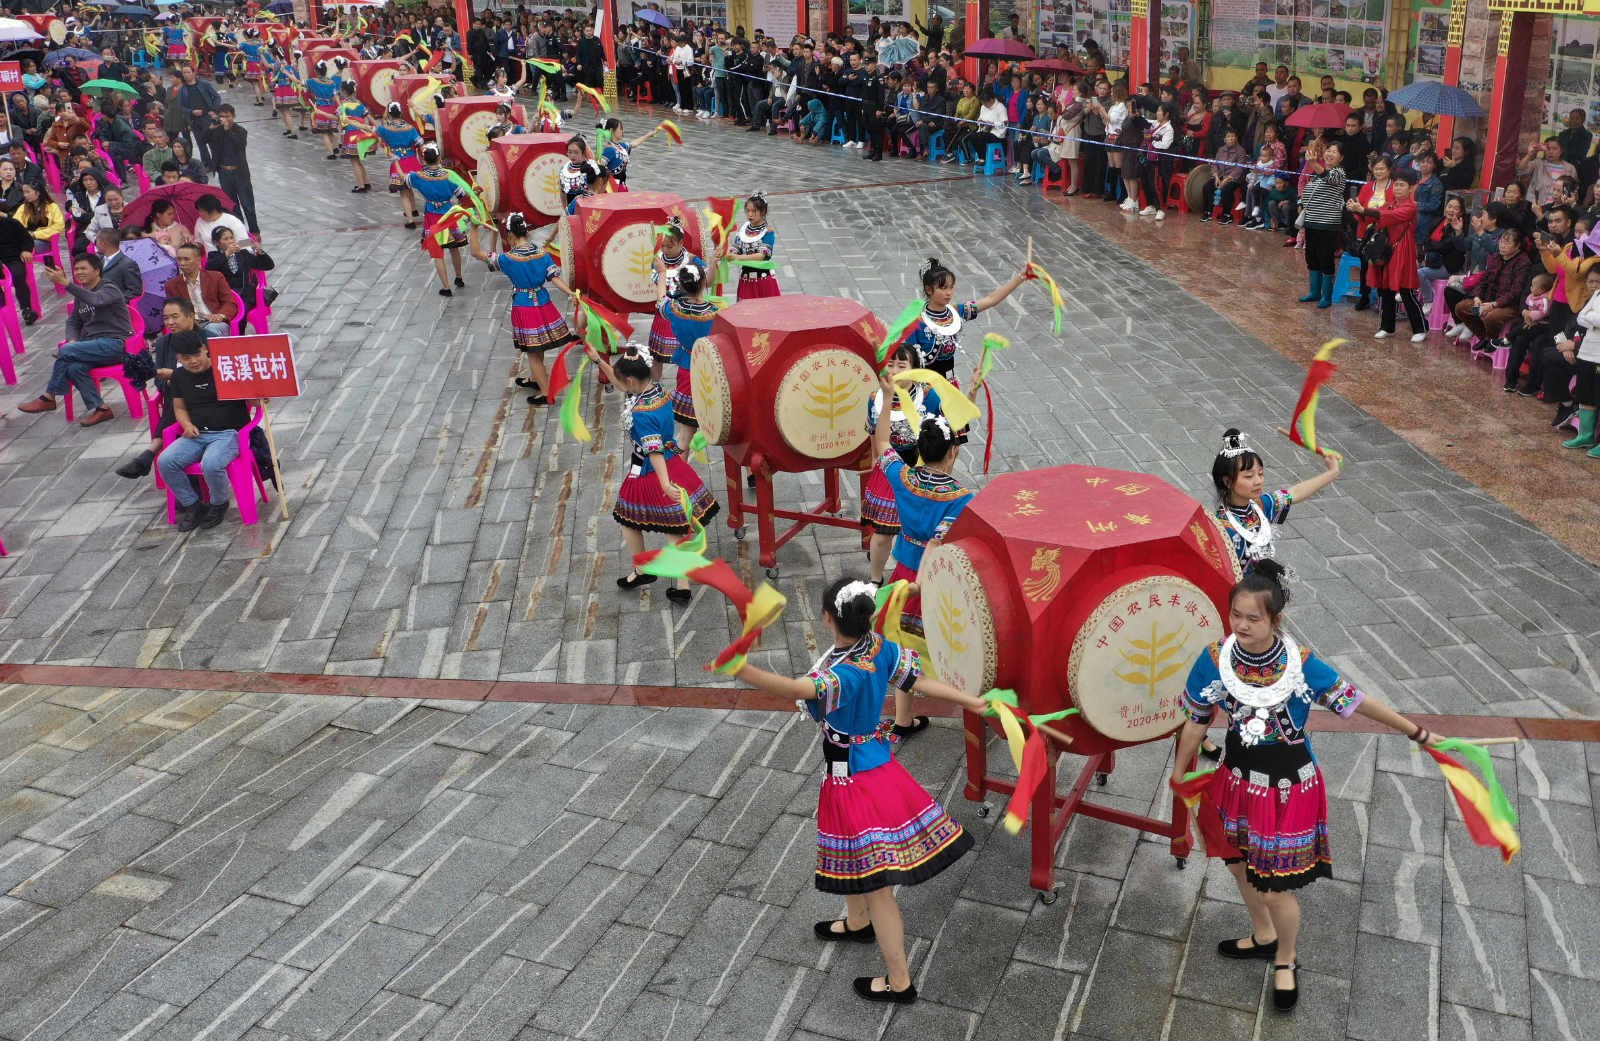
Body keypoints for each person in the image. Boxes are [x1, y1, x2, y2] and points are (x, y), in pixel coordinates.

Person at [1173, 561, 1444, 1011]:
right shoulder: (1214, 659)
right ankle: (1263, 935)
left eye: (1253, 618)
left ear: (1275, 621)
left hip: (1287, 791)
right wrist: (1179, 774)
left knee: (1273, 887)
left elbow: (1357, 701)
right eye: (1235, 614)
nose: (1241, 624)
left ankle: (1286, 957)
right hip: (1235, 781)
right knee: (1238, 865)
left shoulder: (1300, 665)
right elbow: (1196, 720)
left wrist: (1415, 731)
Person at [732, 576, 982, 1006]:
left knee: (877, 883)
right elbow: (919, 682)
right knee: (854, 858)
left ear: (827, 617)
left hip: (855, 782)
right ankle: (856, 922)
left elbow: (796, 689)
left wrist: (744, 668)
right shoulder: (879, 649)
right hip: (874, 765)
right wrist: (972, 701)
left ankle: (899, 980)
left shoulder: (841, 674)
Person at [581, 342, 719, 602]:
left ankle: (643, 569)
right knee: (674, 527)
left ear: (632, 379)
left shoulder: (642, 413)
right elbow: (623, 384)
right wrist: (599, 362)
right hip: (673, 462)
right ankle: (681, 586)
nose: (622, 384)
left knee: (628, 518)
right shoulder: (657, 391)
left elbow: (653, 451)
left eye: (624, 379)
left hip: (649, 470)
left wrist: (665, 484)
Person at [14, 253, 132, 426]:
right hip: (92, 346)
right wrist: (72, 340)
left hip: (115, 344)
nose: (78, 272)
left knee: (66, 352)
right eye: (76, 269)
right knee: (74, 367)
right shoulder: (80, 295)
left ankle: (49, 396)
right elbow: (73, 322)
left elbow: (97, 300)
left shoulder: (109, 288)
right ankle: (101, 409)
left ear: (97, 270)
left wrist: (66, 284)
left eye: (83, 268)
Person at [471, 212, 574, 406]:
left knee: (532, 353)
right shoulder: (542, 253)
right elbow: (555, 278)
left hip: (525, 307)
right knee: (539, 347)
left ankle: (546, 393)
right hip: (544, 303)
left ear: (510, 235)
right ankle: (536, 379)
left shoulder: (508, 259)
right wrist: (572, 294)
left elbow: (476, 253)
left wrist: (474, 228)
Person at [861, 344, 942, 585]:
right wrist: (877, 460)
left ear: (914, 369)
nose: (895, 370)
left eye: (902, 365)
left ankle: (921, 576)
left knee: (922, 531)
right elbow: (874, 433)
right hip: (890, 469)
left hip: (921, 468)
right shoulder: (876, 398)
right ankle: (876, 579)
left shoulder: (929, 396)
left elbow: (942, 433)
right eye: (891, 364)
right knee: (883, 532)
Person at [156, 332, 252, 531]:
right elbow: (180, 408)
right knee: (165, 461)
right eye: (186, 358)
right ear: (179, 359)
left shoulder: (225, 368)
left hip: (228, 433)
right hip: (197, 434)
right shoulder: (180, 377)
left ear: (205, 349)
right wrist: (186, 425)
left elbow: (250, 396)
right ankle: (193, 505)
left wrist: (260, 398)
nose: (193, 361)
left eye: (197, 354)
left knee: (211, 464)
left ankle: (218, 503)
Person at [903, 256, 1025, 390]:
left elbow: (991, 299)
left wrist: (1020, 277)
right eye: (943, 288)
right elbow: (907, 360)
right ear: (928, 289)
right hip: (924, 390)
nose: (949, 293)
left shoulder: (956, 312)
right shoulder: (917, 321)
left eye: (951, 287)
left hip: (950, 386)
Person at [115, 297, 203, 480]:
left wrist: (177, 376)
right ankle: (155, 457)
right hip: (176, 398)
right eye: (165, 318)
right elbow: (159, 382)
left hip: (205, 395)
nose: (170, 322)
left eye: (175, 317)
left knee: (180, 393)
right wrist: (170, 380)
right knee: (176, 394)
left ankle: (150, 452)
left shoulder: (207, 339)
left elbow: (214, 373)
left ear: (190, 317)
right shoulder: (164, 343)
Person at [1347, 170, 1426, 341]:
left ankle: (1420, 328)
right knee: (1385, 289)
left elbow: (1389, 217)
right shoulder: (1389, 204)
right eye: (1396, 184)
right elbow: (1372, 219)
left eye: (1402, 185)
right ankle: (1387, 327)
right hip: (1386, 250)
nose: (1397, 188)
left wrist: (1364, 209)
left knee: (1406, 290)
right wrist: (1358, 210)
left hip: (1403, 251)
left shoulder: (1410, 207)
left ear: (1411, 188)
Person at [659, 262, 719, 447]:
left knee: (685, 434)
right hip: (710, 372)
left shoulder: (674, 309)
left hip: (686, 369)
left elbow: (661, 301)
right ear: (703, 283)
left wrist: (662, 274)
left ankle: (678, 474)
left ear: (681, 285)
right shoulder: (715, 313)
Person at [645, 219, 706, 379]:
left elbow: (708, 280)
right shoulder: (658, 260)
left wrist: (713, 263)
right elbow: (659, 285)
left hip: (685, 313)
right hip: (665, 312)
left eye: (670, 246)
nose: (665, 250)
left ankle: (691, 385)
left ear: (681, 243)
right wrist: (661, 271)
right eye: (663, 246)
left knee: (688, 354)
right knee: (656, 356)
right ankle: (655, 389)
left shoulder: (692, 261)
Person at [407, 144, 471, 296]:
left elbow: (406, 180)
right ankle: (459, 277)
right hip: (448, 214)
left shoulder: (418, 177)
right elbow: (463, 195)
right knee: (454, 247)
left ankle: (446, 287)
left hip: (432, 216)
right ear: (439, 158)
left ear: (424, 159)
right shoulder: (449, 176)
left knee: (437, 253)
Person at [1297, 141, 1346, 309]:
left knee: (1325, 258)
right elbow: (1308, 191)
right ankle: (1314, 292)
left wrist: (1313, 163)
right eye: (1328, 150)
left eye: (1334, 151)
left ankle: (1326, 295)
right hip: (1312, 222)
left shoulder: (1339, 173)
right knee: (1312, 257)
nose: (1330, 154)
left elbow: (1328, 177)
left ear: (1341, 157)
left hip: (1327, 224)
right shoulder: (1317, 174)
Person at [1558, 265, 1600, 456]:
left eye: (1597, 281)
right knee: (1586, 396)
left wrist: (1591, 318)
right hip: (1586, 353)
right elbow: (1581, 318)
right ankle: (1586, 435)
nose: (1594, 285)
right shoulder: (1595, 297)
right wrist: (1592, 318)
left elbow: (1595, 320)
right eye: (1591, 281)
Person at [164, 243, 239, 338]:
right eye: (179, 259)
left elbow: (229, 302)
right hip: (188, 325)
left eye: (186, 259)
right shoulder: (171, 285)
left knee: (210, 330)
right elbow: (172, 311)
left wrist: (221, 315)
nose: (182, 263)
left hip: (214, 322)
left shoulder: (215, 277)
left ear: (198, 259)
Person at [204, 105, 258, 236]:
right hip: (224, 172)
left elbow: (240, 145)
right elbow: (203, 139)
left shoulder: (240, 131)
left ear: (233, 116)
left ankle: (254, 231)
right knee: (232, 205)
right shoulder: (217, 130)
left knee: (247, 204)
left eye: (227, 116)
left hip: (240, 173)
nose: (225, 119)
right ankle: (240, 232)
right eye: (222, 116)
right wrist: (211, 128)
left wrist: (228, 129)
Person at [375, 102, 424, 229]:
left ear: (390, 113)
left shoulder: (385, 128)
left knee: (403, 192)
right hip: (412, 160)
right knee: (410, 186)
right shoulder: (410, 127)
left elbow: (377, 138)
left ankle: (410, 220)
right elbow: (420, 143)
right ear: (401, 112)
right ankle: (413, 209)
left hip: (398, 162)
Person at [726, 193, 779, 300]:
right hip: (745, 279)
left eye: (754, 211)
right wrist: (728, 254)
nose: (750, 214)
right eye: (748, 211)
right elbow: (735, 249)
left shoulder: (767, 232)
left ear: (763, 212)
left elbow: (762, 255)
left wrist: (739, 257)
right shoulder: (743, 230)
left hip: (763, 280)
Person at [205, 226, 274, 301]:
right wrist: (227, 254)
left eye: (232, 238)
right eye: (226, 239)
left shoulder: (243, 254)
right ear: (216, 243)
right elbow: (209, 268)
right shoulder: (214, 256)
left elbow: (268, 265)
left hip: (245, 294)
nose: (231, 241)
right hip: (226, 296)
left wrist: (259, 251)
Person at [336, 82, 372, 194]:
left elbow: (341, 121)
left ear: (344, 92)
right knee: (358, 160)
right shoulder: (359, 104)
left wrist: (340, 135)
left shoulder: (343, 105)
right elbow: (368, 117)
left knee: (354, 161)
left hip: (351, 134)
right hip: (361, 133)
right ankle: (366, 183)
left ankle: (361, 185)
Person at [0, 206, 35, 324]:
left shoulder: (11, 223)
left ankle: (26, 309)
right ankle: (3, 313)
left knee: (18, 276)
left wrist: (26, 250)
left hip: (12, 260)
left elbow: (27, 239)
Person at [558, 134, 605, 215]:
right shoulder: (564, 169)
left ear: (583, 153)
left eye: (576, 152)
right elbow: (562, 192)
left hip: (588, 209)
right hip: (571, 209)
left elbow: (601, 187)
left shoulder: (591, 168)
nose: (572, 155)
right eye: (570, 152)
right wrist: (565, 209)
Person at [97, 229, 144, 307]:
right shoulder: (98, 259)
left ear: (103, 243)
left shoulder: (127, 264)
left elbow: (135, 291)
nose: (96, 244)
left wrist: (115, 301)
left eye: (97, 241)